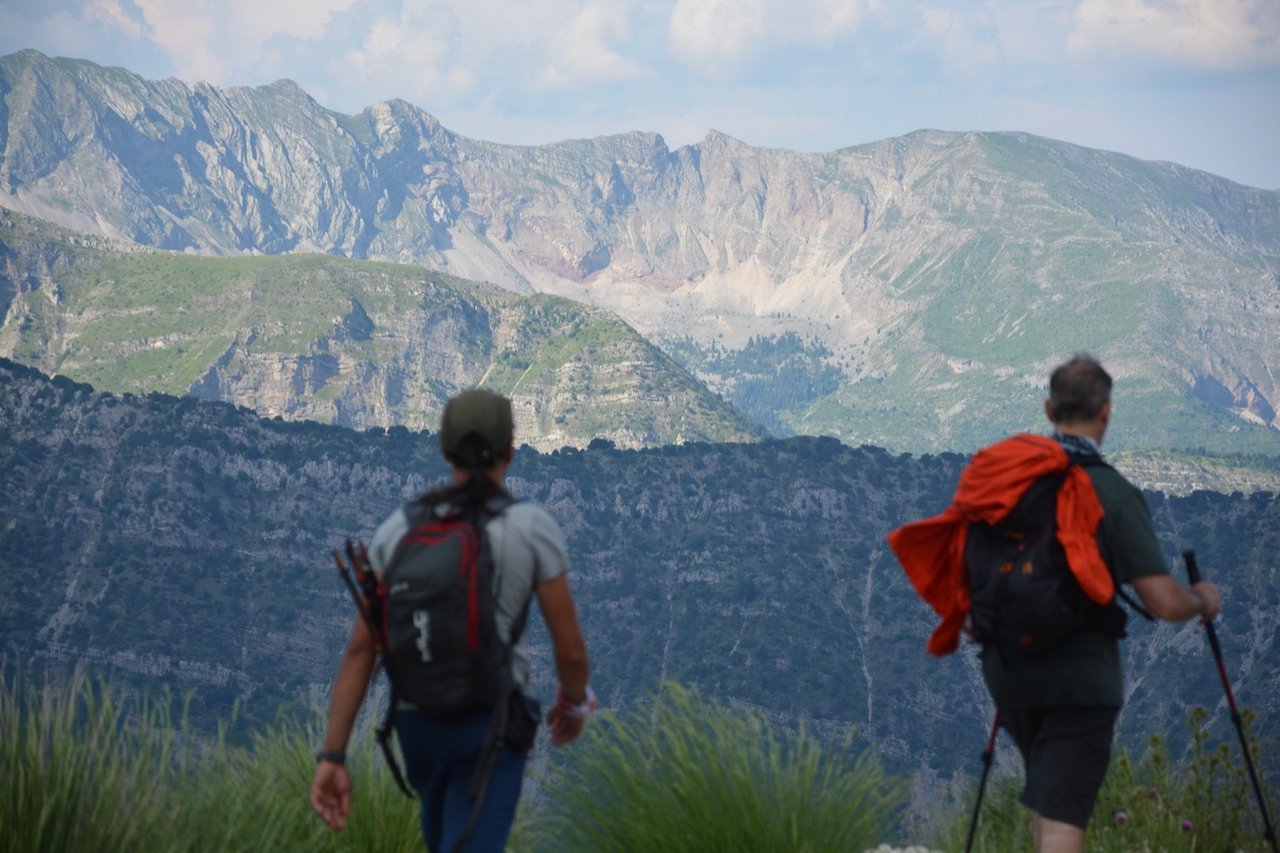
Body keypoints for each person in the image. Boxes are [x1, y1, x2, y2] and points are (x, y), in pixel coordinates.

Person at [890, 354, 1221, 853]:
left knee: (1049, 795)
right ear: (1106, 413)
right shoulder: (1109, 489)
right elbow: (1162, 602)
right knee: (1065, 808)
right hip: (1079, 678)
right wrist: (1202, 599)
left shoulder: (1005, 481)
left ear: (1049, 410)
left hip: (1009, 671)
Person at [311, 388, 595, 851]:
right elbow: (571, 651)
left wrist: (333, 755)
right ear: (510, 450)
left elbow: (361, 649)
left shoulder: (398, 529)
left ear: (444, 450)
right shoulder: (531, 526)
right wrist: (574, 704)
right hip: (489, 725)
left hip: (416, 725)